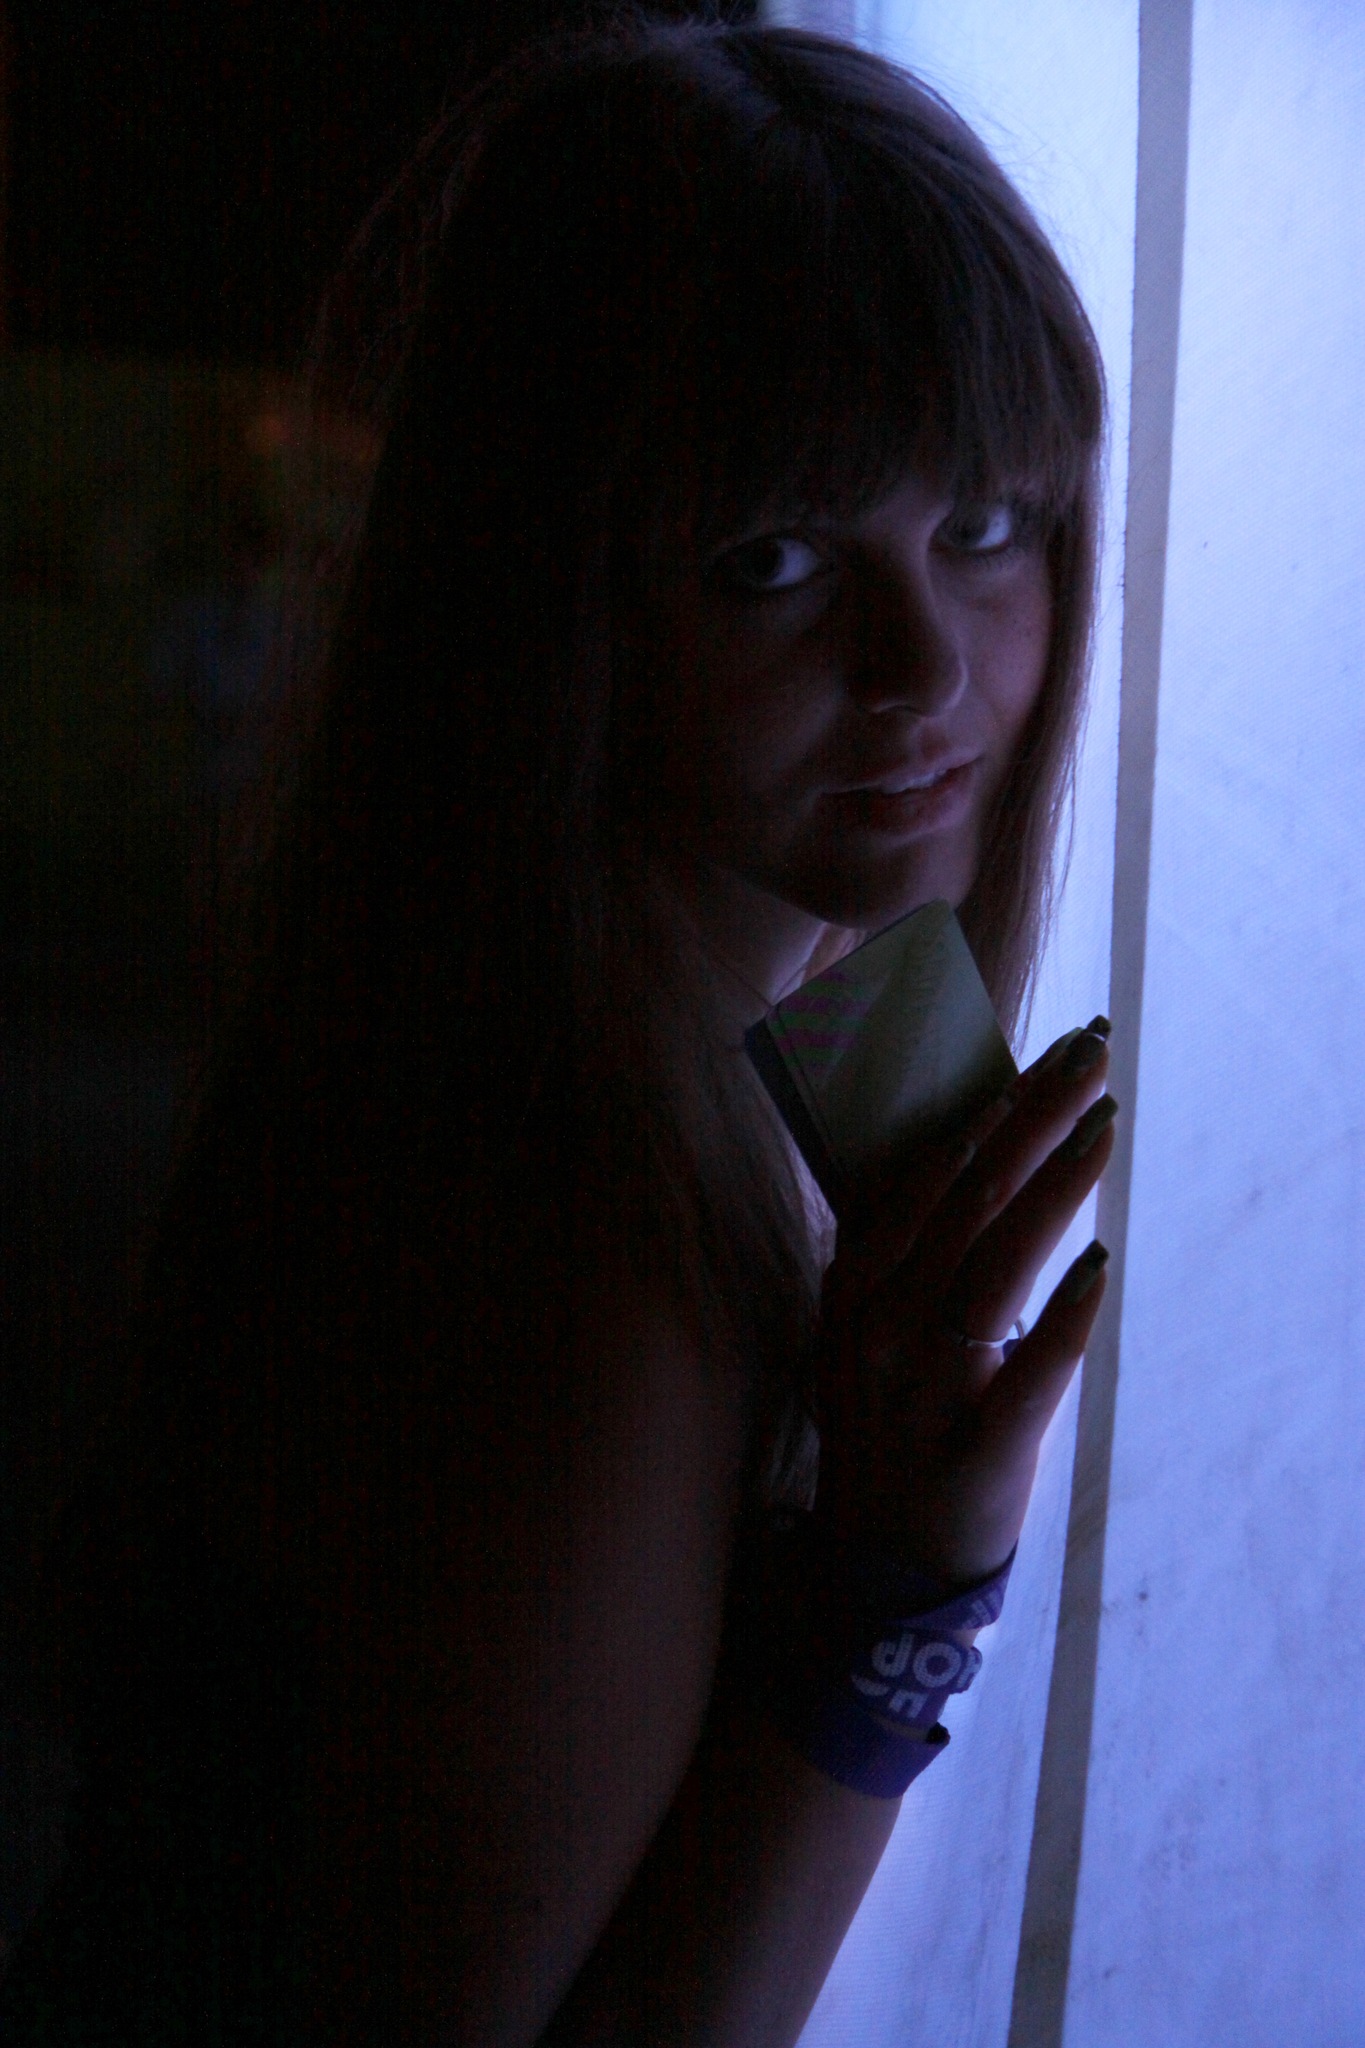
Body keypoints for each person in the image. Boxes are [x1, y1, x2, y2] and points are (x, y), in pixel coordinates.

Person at [0, 15, 1116, 2043]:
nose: (919, 666)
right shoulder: (591, 1235)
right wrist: (899, 1602)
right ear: (550, 598)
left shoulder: (622, 1042)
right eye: (771, 559)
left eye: (983, 524)